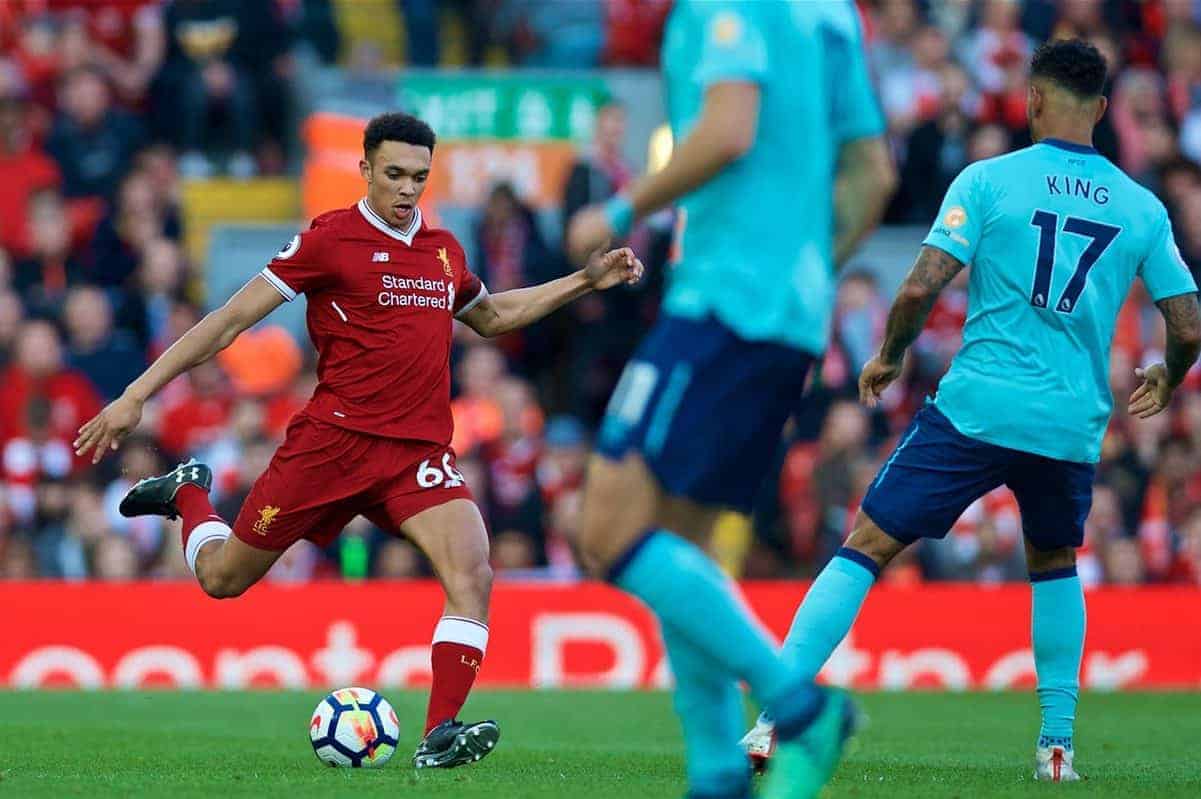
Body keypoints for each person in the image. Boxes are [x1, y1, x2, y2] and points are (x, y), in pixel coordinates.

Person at [74, 112, 643, 769]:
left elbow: (492, 315)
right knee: (222, 577)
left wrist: (583, 280)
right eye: (394, 174)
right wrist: (137, 394)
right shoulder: (329, 241)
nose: (406, 189)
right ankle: (191, 495)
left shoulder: (442, 250)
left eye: (419, 178)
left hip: (416, 452)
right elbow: (229, 320)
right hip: (331, 446)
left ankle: (439, 733)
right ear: (366, 168)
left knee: (473, 569)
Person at [747, 39, 1201, 783]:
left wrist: (890, 353)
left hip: (976, 408)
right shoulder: (1139, 205)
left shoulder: (989, 180)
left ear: (1032, 99)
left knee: (866, 543)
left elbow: (920, 286)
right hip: (1067, 423)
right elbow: (1185, 325)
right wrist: (1168, 375)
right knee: (1053, 563)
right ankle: (1055, 749)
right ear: (1099, 108)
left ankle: (773, 717)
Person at [565, 2, 895, 797]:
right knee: (676, 543)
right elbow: (871, 174)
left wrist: (613, 211)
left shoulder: (722, 8)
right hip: (785, 317)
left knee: (604, 532)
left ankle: (798, 703)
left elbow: (727, 129)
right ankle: (716, 771)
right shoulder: (830, 17)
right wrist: (807, 270)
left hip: (722, 304)